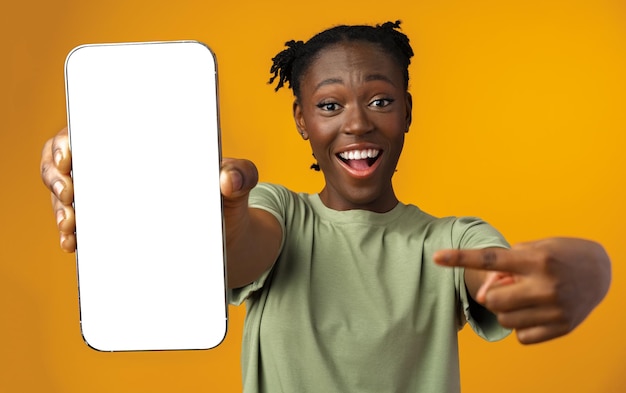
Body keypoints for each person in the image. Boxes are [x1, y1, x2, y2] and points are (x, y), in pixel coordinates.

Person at [41, 21, 611, 393]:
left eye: (380, 101)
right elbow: (239, 253)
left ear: (407, 111)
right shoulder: (280, 213)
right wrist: (160, 193)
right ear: (302, 121)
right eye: (330, 104)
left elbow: (508, 285)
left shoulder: (451, 240)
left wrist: (589, 269)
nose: (357, 123)